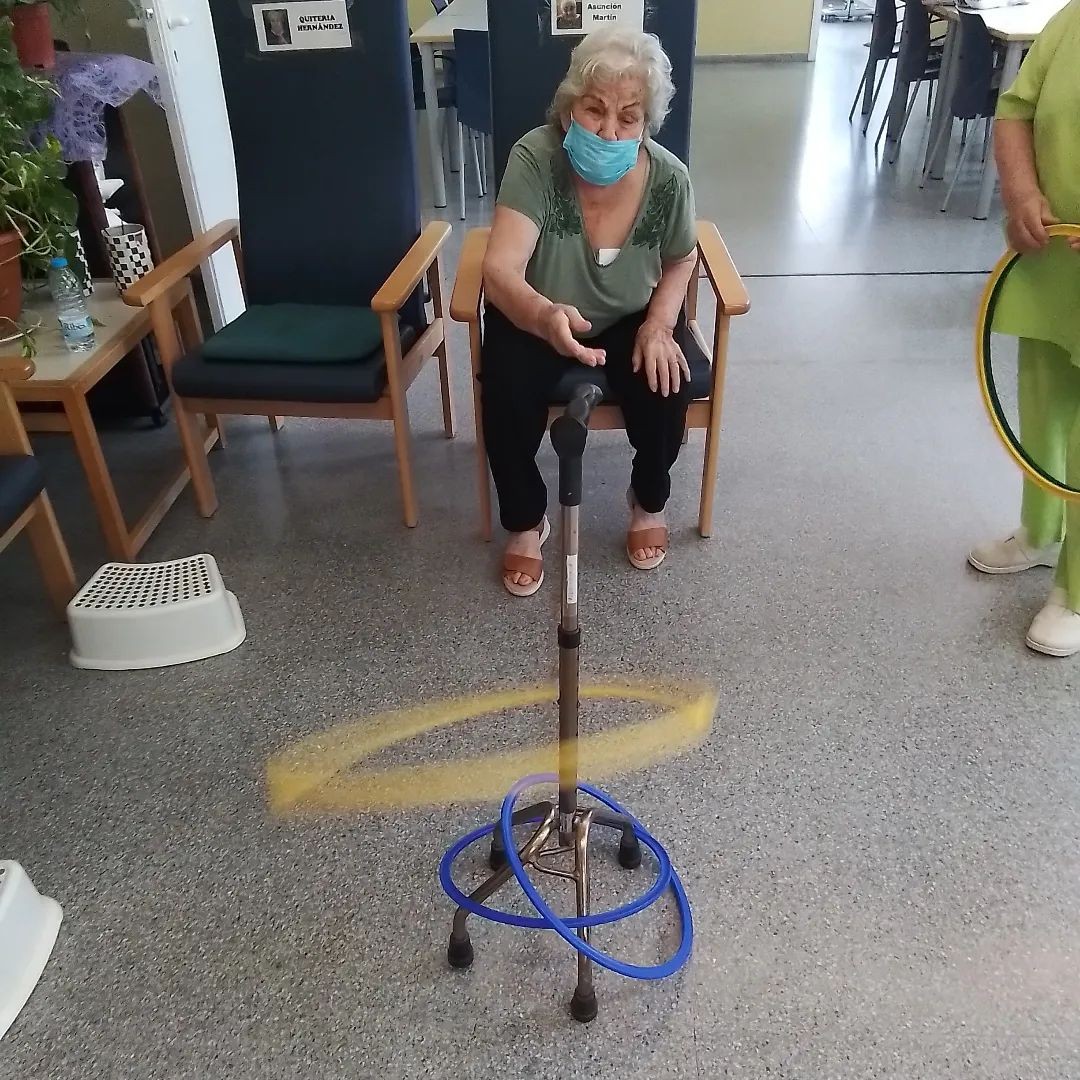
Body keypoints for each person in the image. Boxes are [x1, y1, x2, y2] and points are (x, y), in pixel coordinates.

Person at [482, 28, 698, 597]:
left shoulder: (669, 179)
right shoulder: (536, 157)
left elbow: (681, 257)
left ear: (647, 123)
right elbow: (500, 271)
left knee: (666, 381)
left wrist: (659, 324)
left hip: (629, 315)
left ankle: (647, 500)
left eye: (629, 117)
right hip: (537, 309)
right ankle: (526, 520)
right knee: (505, 387)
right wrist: (542, 315)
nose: (609, 131)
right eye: (595, 109)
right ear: (568, 108)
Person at [968, 0, 1080, 655]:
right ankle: (1041, 532)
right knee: (1041, 408)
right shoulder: (1072, 21)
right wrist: (1021, 193)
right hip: (1049, 264)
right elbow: (1016, 110)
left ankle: (1077, 588)